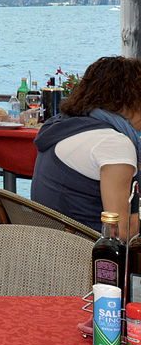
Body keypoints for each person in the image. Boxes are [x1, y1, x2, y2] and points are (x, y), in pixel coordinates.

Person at [33, 56, 141, 236]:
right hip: (89, 248)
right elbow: (121, 231)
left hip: (48, 242)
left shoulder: (63, 127)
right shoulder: (112, 143)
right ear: (131, 100)